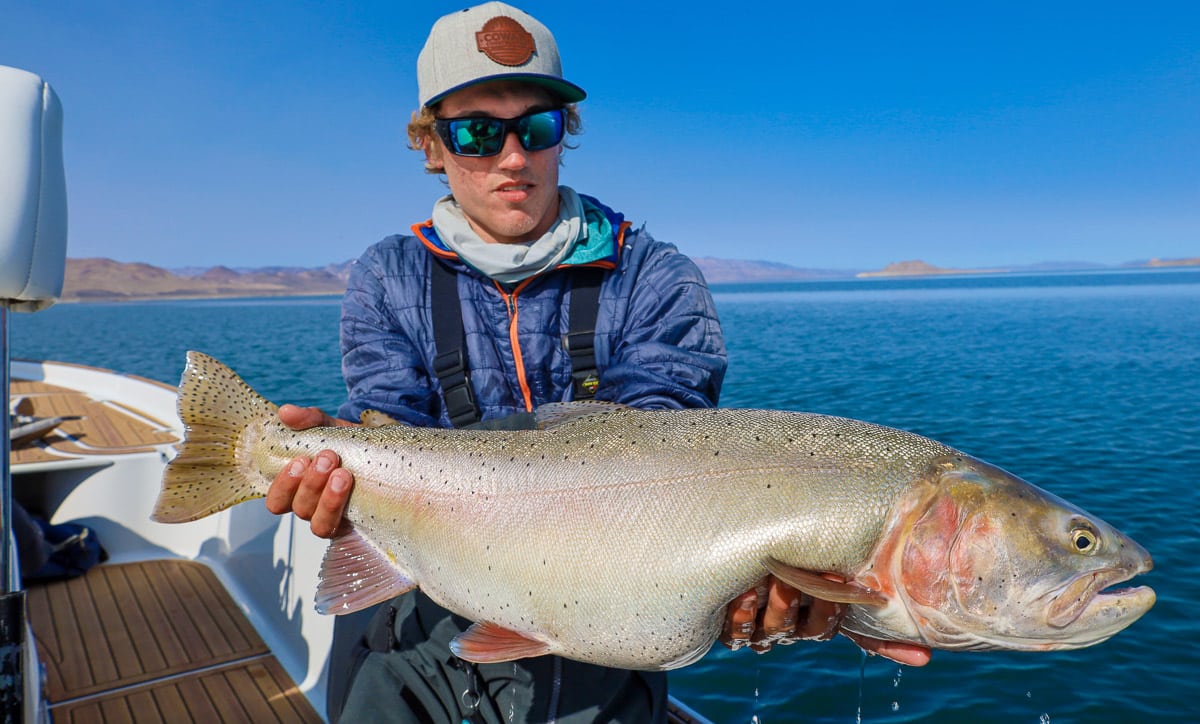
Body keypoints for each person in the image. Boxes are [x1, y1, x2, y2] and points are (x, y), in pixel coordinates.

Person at [265, 3, 930, 722]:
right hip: (421, 635)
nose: (513, 156)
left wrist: (774, 580)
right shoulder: (387, 276)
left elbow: (666, 450)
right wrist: (338, 493)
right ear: (432, 144)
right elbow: (390, 427)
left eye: (537, 127)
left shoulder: (655, 277)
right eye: (479, 131)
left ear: (564, 136)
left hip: (603, 655)